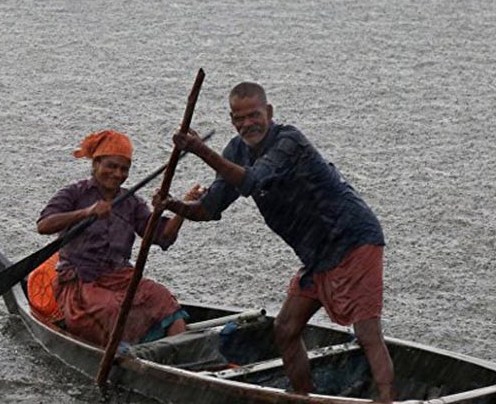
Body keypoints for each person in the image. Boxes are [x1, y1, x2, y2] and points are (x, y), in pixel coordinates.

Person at [156, 82, 394, 403]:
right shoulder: (236, 150)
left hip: (353, 240)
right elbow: (210, 209)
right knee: (284, 328)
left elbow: (252, 180)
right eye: (239, 119)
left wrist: (199, 150)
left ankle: (387, 400)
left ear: (268, 112)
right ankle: (301, 396)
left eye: (254, 115)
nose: (247, 124)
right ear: (231, 120)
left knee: (367, 332)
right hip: (316, 255)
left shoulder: (288, 141)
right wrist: (173, 205)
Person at [36, 129, 201, 347]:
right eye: (111, 166)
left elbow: (163, 237)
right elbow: (44, 225)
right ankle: (126, 355)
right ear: (96, 165)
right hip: (82, 282)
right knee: (111, 308)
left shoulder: (131, 202)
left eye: (124, 169)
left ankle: (176, 356)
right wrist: (87, 212)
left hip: (121, 278)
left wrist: (182, 208)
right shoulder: (74, 193)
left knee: (162, 298)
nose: (117, 174)